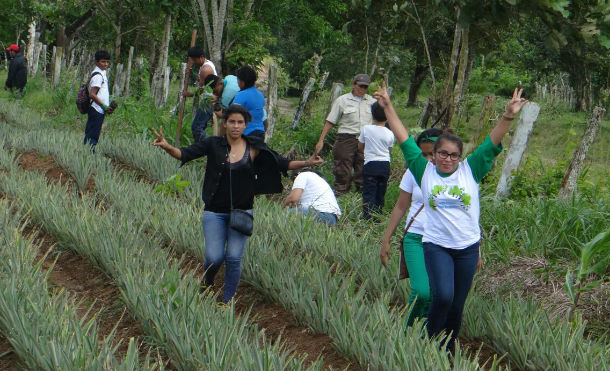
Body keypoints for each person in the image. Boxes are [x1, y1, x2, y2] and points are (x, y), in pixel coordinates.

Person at [374, 85, 527, 352]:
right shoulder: (424, 171)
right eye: (442, 153)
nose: (448, 159)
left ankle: (448, 347)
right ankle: (429, 343)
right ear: (433, 155)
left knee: (457, 304)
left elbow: (491, 142)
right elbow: (404, 139)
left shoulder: (471, 170)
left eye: (453, 155)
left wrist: (508, 116)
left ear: (460, 157)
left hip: (467, 248)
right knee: (442, 296)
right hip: (436, 246)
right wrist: (388, 106)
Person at [152, 104, 323, 303]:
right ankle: (208, 281)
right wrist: (167, 146)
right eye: (231, 121)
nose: (235, 126)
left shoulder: (255, 148)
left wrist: (307, 163)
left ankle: (228, 302)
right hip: (214, 212)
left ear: (245, 125)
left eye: (240, 122)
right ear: (224, 123)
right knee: (214, 258)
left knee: (233, 258)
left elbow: (282, 163)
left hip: (242, 212)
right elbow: (185, 153)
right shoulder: (213, 144)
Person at [380, 128, 442, 328]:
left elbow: (466, 212)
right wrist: (386, 239)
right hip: (415, 238)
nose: (429, 158)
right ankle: (407, 330)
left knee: (436, 293)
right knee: (422, 291)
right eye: (424, 154)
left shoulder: (454, 176)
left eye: (433, 153)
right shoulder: (412, 172)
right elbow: (400, 206)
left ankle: (424, 333)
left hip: (441, 242)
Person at [314, 73, 376, 194]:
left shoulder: (372, 102)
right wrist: (321, 140)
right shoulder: (342, 100)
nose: (362, 89)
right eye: (360, 86)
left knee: (363, 165)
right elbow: (330, 121)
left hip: (366, 138)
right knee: (342, 165)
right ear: (354, 84)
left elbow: (379, 121)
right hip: (346, 137)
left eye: (365, 87)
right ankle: (341, 191)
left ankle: (361, 192)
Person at [358, 102, 395, 218]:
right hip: (384, 164)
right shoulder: (390, 133)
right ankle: (378, 215)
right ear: (387, 117)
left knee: (369, 190)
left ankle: (367, 215)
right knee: (381, 190)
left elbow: (360, 146)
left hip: (370, 164)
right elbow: (389, 150)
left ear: (372, 116)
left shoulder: (366, 129)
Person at [182, 46, 217, 143]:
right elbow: (203, 81)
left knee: (197, 127)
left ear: (201, 57)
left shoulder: (205, 69)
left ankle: (204, 149)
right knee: (199, 126)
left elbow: (201, 89)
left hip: (209, 100)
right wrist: (193, 74)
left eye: (194, 59)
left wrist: (189, 94)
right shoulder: (206, 64)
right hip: (208, 99)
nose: (193, 62)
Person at [84, 50, 114, 148]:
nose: (106, 64)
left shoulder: (102, 73)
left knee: (93, 133)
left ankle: (87, 154)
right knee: (92, 135)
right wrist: (104, 106)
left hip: (99, 109)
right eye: (103, 61)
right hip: (96, 109)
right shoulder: (98, 76)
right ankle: (88, 155)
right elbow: (92, 94)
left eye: (107, 62)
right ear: (97, 62)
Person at [233, 66, 266, 139]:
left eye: (238, 79)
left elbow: (233, 114)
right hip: (261, 132)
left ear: (242, 81)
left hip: (247, 133)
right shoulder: (260, 94)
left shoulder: (241, 95)